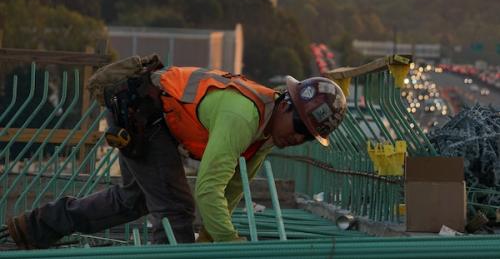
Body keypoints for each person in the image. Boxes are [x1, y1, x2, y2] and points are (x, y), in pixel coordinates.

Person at [2, 61, 347, 248]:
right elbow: (208, 189)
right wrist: (232, 245)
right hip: (143, 114)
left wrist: (212, 242)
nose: (298, 138)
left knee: (133, 201)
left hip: (150, 116)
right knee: (175, 210)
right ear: (286, 102)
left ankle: (33, 228)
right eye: (300, 127)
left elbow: (230, 193)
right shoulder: (244, 117)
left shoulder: (267, 135)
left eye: (308, 138)